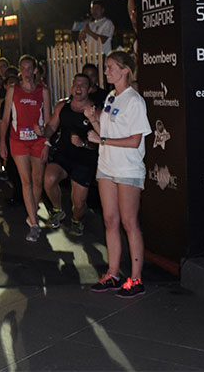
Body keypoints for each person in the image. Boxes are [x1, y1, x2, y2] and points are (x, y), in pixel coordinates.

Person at [84, 51, 151, 297]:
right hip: (107, 166)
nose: (106, 71)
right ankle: (113, 273)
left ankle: (136, 278)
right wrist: (94, 121)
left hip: (127, 168)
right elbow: (106, 134)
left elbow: (135, 141)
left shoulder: (135, 100)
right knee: (110, 220)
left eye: (111, 67)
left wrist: (101, 137)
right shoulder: (112, 96)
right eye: (106, 67)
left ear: (125, 70)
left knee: (129, 222)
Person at [0, 55, 52, 241]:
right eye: (24, 68)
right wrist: (1, 142)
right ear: (20, 70)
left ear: (35, 70)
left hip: (37, 140)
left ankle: (32, 214)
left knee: (38, 181)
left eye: (30, 68)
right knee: (26, 181)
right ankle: (35, 223)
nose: (27, 72)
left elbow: (49, 120)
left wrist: (45, 139)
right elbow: (5, 119)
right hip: (18, 140)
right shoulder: (13, 90)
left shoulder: (43, 91)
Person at [40, 73, 98, 236]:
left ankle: (77, 219)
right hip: (63, 154)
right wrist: (43, 131)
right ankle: (58, 210)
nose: (78, 88)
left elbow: (101, 142)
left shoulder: (95, 111)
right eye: (75, 84)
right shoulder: (62, 106)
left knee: (78, 204)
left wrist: (83, 143)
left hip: (85, 160)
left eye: (83, 85)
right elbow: (51, 127)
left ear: (90, 89)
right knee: (49, 180)